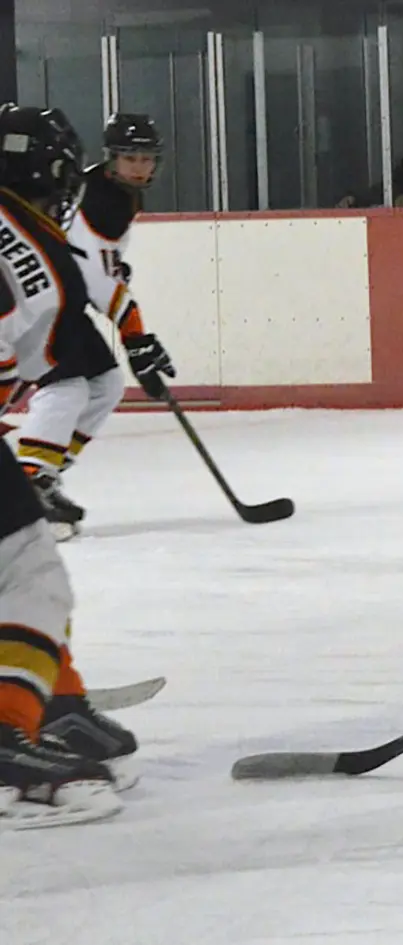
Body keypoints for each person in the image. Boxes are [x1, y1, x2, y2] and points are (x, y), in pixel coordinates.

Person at [0, 104, 123, 829]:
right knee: (28, 572)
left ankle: (53, 701)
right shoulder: (39, 259)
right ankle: (13, 727)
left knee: (27, 561)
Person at [15, 112, 175, 541]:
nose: (139, 167)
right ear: (111, 159)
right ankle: (26, 490)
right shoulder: (103, 199)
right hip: (37, 298)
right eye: (130, 158)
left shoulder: (112, 193)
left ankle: (42, 477)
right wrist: (136, 337)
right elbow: (97, 281)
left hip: (53, 296)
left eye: (146, 158)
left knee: (105, 384)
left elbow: (98, 266)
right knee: (65, 387)